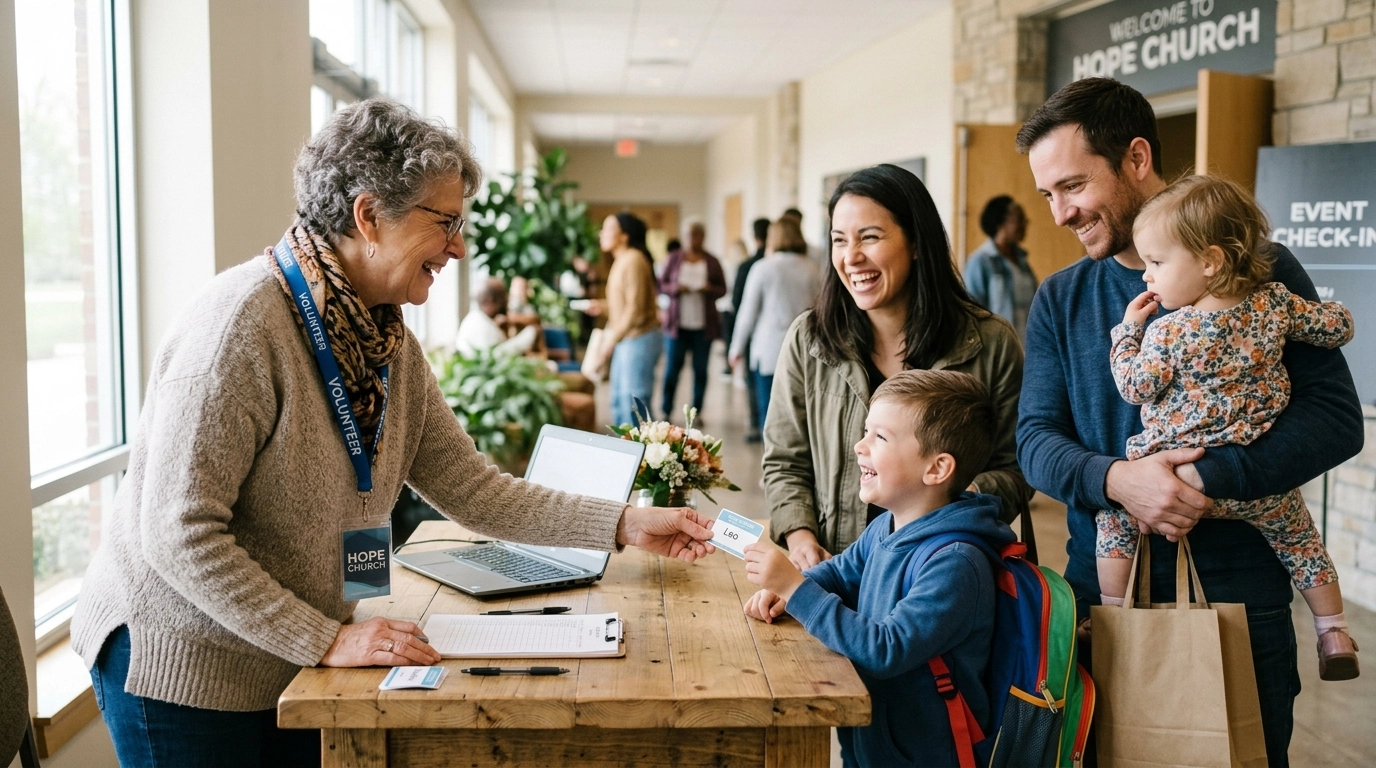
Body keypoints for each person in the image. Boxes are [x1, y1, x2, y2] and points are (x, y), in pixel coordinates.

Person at [68, 99, 717, 768]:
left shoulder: (382, 339)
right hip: (186, 663)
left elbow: (472, 488)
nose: (461, 247)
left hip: (288, 654)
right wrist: (325, 638)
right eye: (445, 223)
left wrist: (625, 524)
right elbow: (178, 533)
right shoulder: (240, 327)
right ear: (368, 216)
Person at [1014, 78, 1364, 766]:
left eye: (1073, 186)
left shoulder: (1254, 266)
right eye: (1047, 194)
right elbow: (1034, 442)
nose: (1059, 212)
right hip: (1103, 593)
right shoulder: (1060, 298)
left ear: (1137, 158)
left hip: (1240, 593)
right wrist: (1119, 480)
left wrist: (1200, 479)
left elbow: (1335, 419)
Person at [1100, 174, 1359, 679]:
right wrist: (1339, 313)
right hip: (1255, 479)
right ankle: (1332, 630)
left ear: (1210, 261)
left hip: (1172, 481)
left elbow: (1133, 387)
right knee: (1301, 540)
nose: (1146, 276)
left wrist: (1127, 333)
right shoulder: (1275, 303)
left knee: (1113, 520)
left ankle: (1109, 614)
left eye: (1155, 263)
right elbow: (1334, 329)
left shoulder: (1168, 331)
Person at [764, 164, 1032, 572]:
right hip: (834, 569)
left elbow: (1016, 469)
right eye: (839, 240)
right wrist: (800, 537)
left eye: (869, 237)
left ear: (917, 243)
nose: (851, 257)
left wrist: (951, 499)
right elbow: (785, 459)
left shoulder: (989, 343)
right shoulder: (811, 338)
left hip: (940, 575)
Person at [742, 369, 1016, 768]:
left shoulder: (956, 564)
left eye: (879, 437)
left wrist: (795, 590)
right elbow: (839, 572)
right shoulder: (887, 525)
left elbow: (886, 649)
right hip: (874, 738)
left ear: (937, 469)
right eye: (866, 431)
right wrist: (788, 592)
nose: (859, 446)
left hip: (925, 754)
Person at [728, 217, 820, 432]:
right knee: (799, 415)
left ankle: (770, 460)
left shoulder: (763, 268)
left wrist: (736, 348)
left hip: (769, 351)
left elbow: (747, 313)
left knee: (770, 414)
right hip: (806, 350)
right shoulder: (812, 268)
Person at [597, 212, 662, 427]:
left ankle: (642, 458)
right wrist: (603, 307)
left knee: (634, 406)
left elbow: (635, 309)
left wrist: (611, 340)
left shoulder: (633, 260)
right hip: (628, 339)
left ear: (623, 236)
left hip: (639, 339)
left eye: (608, 229)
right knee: (619, 402)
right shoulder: (622, 260)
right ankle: (626, 455)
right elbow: (625, 304)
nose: (602, 234)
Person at [659, 219, 727, 421]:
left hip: (702, 327)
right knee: (672, 370)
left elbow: (722, 289)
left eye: (696, 234)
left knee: (700, 371)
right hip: (677, 327)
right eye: (688, 234)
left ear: (703, 236)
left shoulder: (712, 261)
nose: (692, 238)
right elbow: (661, 284)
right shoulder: (673, 258)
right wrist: (675, 289)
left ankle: (696, 412)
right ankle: (666, 409)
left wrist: (709, 289)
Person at [963, 196, 1037, 341]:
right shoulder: (980, 262)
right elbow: (971, 316)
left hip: (1027, 351)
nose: (1025, 223)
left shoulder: (1022, 261)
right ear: (1000, 223)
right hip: (999, 353)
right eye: (1019, 218)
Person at [732, 218, 771, 441]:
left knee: (754, 383)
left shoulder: (749, 266)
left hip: (757, 336)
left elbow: (739, 304)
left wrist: (735, 344)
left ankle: (757, 424)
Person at [455, 277, 539, 357]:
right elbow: (495, 357)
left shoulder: (479, 319)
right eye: (503, 298)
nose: (507, 302)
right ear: (489, 300)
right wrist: (528, 336)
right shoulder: (480, 326)